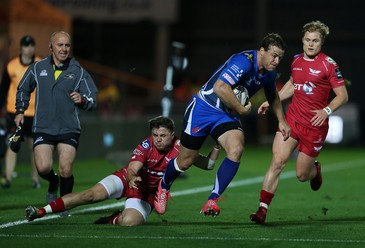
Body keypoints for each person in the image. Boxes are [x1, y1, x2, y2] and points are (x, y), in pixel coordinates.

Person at [154, 33, 291, 217]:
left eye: (280, 57)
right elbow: (220, 87)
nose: (276, 61)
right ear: (261, 51)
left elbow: (272, 94)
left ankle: (212, 199)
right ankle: (163, 186)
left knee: (236, 148)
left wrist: (282, 121)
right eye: (273, 55)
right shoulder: (243, 61)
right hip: (203, 109)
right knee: (185, 160)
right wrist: (241, 110)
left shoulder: (269, 73)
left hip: (225, 115)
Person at [25, 116, 221, 226]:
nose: (158, 139)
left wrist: (218, 147)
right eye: (155, 135)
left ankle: (114, 218)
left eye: (162, 135)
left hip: (149, 194)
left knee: (129, 223)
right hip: (129, 180)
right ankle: (42, 211)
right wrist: (132, 177)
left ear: (172, 134)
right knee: (90, 195)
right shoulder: (146, 145)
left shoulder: (182, 148)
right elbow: (133, 168)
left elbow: (208, 165)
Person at [250, 20, 349, 224]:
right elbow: (293, 84)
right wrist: (273, 100)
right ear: (302, 41)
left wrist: (326, 110)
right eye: (307, 40)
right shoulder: (295, 60)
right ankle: (262, 209)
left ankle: (315, 171)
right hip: (293, 120)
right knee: (277, 161)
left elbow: (342, 96)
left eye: (315, 41)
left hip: (315, 125)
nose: (311, 44)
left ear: (322, 42)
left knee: (302, 175)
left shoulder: (329, 65)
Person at [15, 31, 98, 204]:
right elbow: (23, 88)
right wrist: (20, 111)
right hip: (44, 127)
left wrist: (82, 99)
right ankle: (53, 182)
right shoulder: (38, 68)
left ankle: (63, 204)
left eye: (67, 45)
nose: (64, 49)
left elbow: (92, 98)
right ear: (51, 46)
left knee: (66, 168)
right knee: (43, 167)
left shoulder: (79, 71)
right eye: (60, 45)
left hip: (69, 128)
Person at [0, 35, 41, 189]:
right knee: (13, 144)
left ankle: (35, 178)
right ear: (21, 48)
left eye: (31, 46)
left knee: (35, 147)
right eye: (26, 46)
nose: (29, 49)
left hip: (35, 113)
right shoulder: (11, 66)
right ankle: (8, 177)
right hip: (15, 112)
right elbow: (3, 90)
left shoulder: (40, 65)